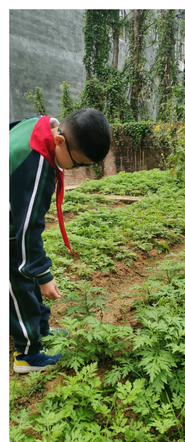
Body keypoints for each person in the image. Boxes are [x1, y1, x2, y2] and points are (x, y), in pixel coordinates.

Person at [10, 108, 111, 373]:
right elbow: (27, 231)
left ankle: (41, 331)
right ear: (60, 141)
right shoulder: (39, 163)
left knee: (27, 271)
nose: (79, 170)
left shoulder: (43, 125)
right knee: (19, 284)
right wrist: (44, 275)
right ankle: (27, 354)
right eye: (78, 164)